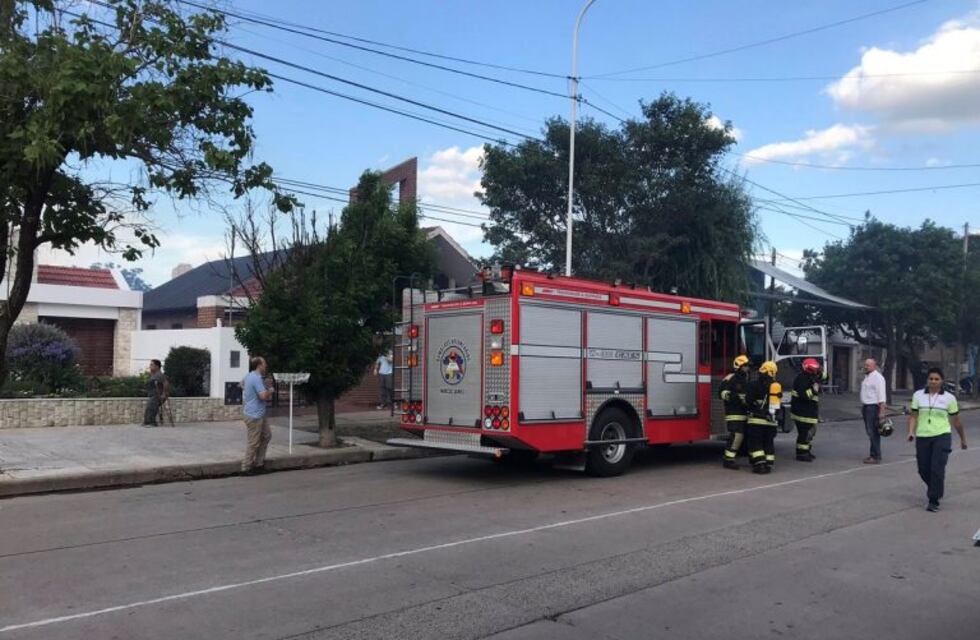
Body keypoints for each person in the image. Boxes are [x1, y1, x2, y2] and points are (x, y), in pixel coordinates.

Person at [907, 367, 968, 512]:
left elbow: (957, 421)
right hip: (922, 436)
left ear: (942, 381)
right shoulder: (918, 395)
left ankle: (933, 499)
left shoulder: (949, 398)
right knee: (923, 469)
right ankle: (936, 487)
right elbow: (914, 416)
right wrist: (911, 431)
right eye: (931, 379)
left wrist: (963, 439)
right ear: (927, 380)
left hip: (942, 435)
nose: (933, 381)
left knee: (937, 468)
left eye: (936, 379)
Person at [746, 360, 779, 474]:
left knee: (756, 443)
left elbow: (748, 401)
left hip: (756, 420)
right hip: (771, 421)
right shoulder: (776, 387)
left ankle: (760, 465)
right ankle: (768, 464)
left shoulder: (752, 384)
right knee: (768, 443)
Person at [242, 356, 273, 475]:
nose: (266, 366)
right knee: (253, 442)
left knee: (266, 436)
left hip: (259, 413)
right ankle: (246, 467)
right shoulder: (255, 379)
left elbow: (241, 384)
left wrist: (249, 393)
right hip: (254, 415)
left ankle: (259, 464)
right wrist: (270, 390)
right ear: (259, 365)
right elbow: (263, 396)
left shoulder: (249, 376)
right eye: (264, 363)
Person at [720, 355, 751, 469]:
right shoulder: (730, 378)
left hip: (744, 412)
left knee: (744, 436)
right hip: (734, 412)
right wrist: (736, 397)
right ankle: (728, 460)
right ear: (739, 366)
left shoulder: (745, 378)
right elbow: (722, 393)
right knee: (737, 435)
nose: (748, 368)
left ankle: (738, 457)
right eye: (745, 366)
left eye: (748, 366)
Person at [791, 358, 822, 462]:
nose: (816, 371)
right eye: (814, 369)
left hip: (808, 411)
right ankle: (801, 454)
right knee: (804, 433)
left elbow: (825, 377)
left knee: (809, 433)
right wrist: (813, 390)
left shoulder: (810, 377)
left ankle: (806, 451)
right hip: (802, 412)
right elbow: (803, 395)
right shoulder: (802, 379)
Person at [860, 358, 888, 464]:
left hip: (873, 408)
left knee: (873, 432)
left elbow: (881, 396)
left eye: (868, 365)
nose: (866, 366)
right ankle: (873, 454)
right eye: (865, 364)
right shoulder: (867, 377)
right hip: (866, 407)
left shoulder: (878, 378)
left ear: (874, 366)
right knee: (870, 432)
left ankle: (875, 456)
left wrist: (882, 412)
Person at [142, 359, 169, 427]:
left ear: (157, 366)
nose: (150, 366)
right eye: (150, 365)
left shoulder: (160, 375)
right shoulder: (154, 374)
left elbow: (166, 383)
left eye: (151, 365)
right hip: (153, 395)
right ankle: (147, 422)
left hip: (158, 395)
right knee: (149, 407)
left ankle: (152, 423)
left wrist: (164, 394)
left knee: (151, 407)